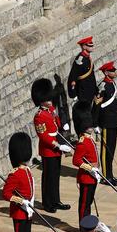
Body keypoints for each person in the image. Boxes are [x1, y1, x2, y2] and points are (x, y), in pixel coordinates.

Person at [32, 78, 72, 213]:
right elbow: (43, 136)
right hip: (48, 149)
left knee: (55, 176)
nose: (49, 100)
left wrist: (63, 124)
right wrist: (58, 146)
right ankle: (48, 203)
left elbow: (56, 121)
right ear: (41, 99)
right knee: (48, 177)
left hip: (56, 148)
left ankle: (56, 200)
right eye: (47, 98)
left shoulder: (50, 110)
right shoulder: (39, 116)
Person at [2, 132, 37, 232]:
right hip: (19, 212)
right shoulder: (15, 174)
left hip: (27, 211)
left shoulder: (27, 170)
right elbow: (6, 194)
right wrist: (21, 201)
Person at [93, 61, 117, 186]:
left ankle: (110, 175)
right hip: (105, 121)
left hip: (113, 121)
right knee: (106, 150)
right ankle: (106, 176)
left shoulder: (112, 84)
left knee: (112, 148)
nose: (114, 72)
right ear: (106, 72)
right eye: (112, 71)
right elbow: (96, 106)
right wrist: (95, 124)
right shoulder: (103, 86)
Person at [68, 36, 97, 137]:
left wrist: (95, 90)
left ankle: (89, 129)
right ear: (84, 46)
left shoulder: (87, 57)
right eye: (90, 45)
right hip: (83, 90)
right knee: (84, 113)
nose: (92, 47)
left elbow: (91, 75)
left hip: (89, 89)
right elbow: (73, 76)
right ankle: (83, 132)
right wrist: (74, 93)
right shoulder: (80, 59)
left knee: (89, 111)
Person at [72, 124, 101, 221]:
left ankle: (88, 225)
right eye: (89, 126)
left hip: (93, 175)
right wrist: (90, 168)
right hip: (86, 177)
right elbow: (76, 161)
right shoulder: (83, 142)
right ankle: (84, 227)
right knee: (84, 204)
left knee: (89, 202)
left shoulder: (89, 138)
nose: (92, 128)